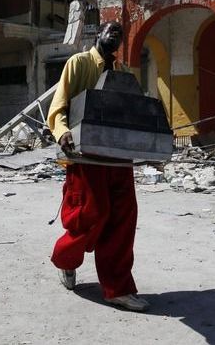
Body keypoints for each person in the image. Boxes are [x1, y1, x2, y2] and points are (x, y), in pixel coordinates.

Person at [47, 21, 150, 312]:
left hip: (118, 157)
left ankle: (117, 288)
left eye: (120, 34)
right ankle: (65, 260)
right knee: (91, 215)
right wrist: (62, 131)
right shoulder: (79, 63)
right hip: (86, 156)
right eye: (110, 32)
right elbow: (59, 104)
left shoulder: (123, 75)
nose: (115, 37)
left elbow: (134, 112)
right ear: (98, 36)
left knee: (123, 218)